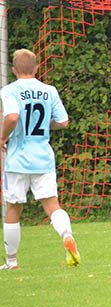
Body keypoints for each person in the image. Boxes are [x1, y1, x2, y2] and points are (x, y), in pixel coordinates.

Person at [1, 49, 80, 270]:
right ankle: (67, 235)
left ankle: (12, 261)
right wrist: (46, 126)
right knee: (52, 205)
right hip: (43, 157)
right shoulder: (49, 90)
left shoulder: (9, 90)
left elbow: (12, 117)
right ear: (36, 68)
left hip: (17, 158)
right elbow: (63, 122)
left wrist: (3, 136)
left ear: (14, 70)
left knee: (13, 207)